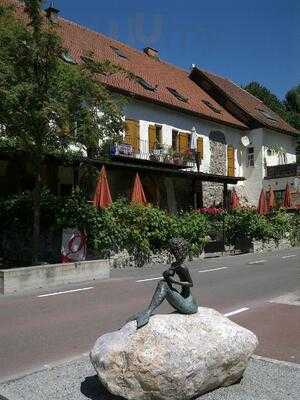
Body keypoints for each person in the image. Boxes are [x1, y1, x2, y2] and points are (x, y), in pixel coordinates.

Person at [129, 238, 198, 329]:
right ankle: (148, 312)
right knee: (163, 283)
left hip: (189, 305)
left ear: (183, 251)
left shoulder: (183, 267)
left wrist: (175, 282)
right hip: (183, 298)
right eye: (174, 251)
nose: (176, 253)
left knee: (163, 285)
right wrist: (166, 274)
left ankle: (148, 312)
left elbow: (190, 283)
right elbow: (169, 276)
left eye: (178, 250)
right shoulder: (175, 265)